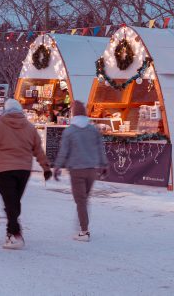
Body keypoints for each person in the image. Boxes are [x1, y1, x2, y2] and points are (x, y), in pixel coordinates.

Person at [0, 99, 52, 249]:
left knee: (10, 202)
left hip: (3, 169)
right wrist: (45, 167)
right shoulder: (30, 127)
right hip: (23, 170)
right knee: (14, 201)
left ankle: (16, 234)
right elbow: (38, 148)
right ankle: (10, 233)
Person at [53, 101, 108, 242]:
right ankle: (82, 224)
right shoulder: (93, 130)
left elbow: (64, 151)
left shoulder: (70, 131)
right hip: (91, 170)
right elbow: (100, 148)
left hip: (76, 170)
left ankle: (84, 231)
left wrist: (58, 166)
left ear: (73, 113)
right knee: (84, 199)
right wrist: (104, 164)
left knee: (81, 201)